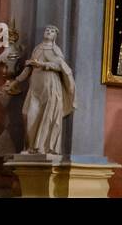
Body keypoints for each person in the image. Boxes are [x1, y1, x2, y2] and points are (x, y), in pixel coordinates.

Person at [5, 25, 76, 156]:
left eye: (52, 31)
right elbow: (28, 69)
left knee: (47, 117)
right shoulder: (37, 48)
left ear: (55, 36)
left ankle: (40, 148)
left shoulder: (56, 50)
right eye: (47, 30)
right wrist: (15, 82)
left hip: (50, 87)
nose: (49, 32)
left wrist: (42, 64)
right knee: (28, 114)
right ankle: (31, 146)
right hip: (35, 87)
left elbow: (60, 66)